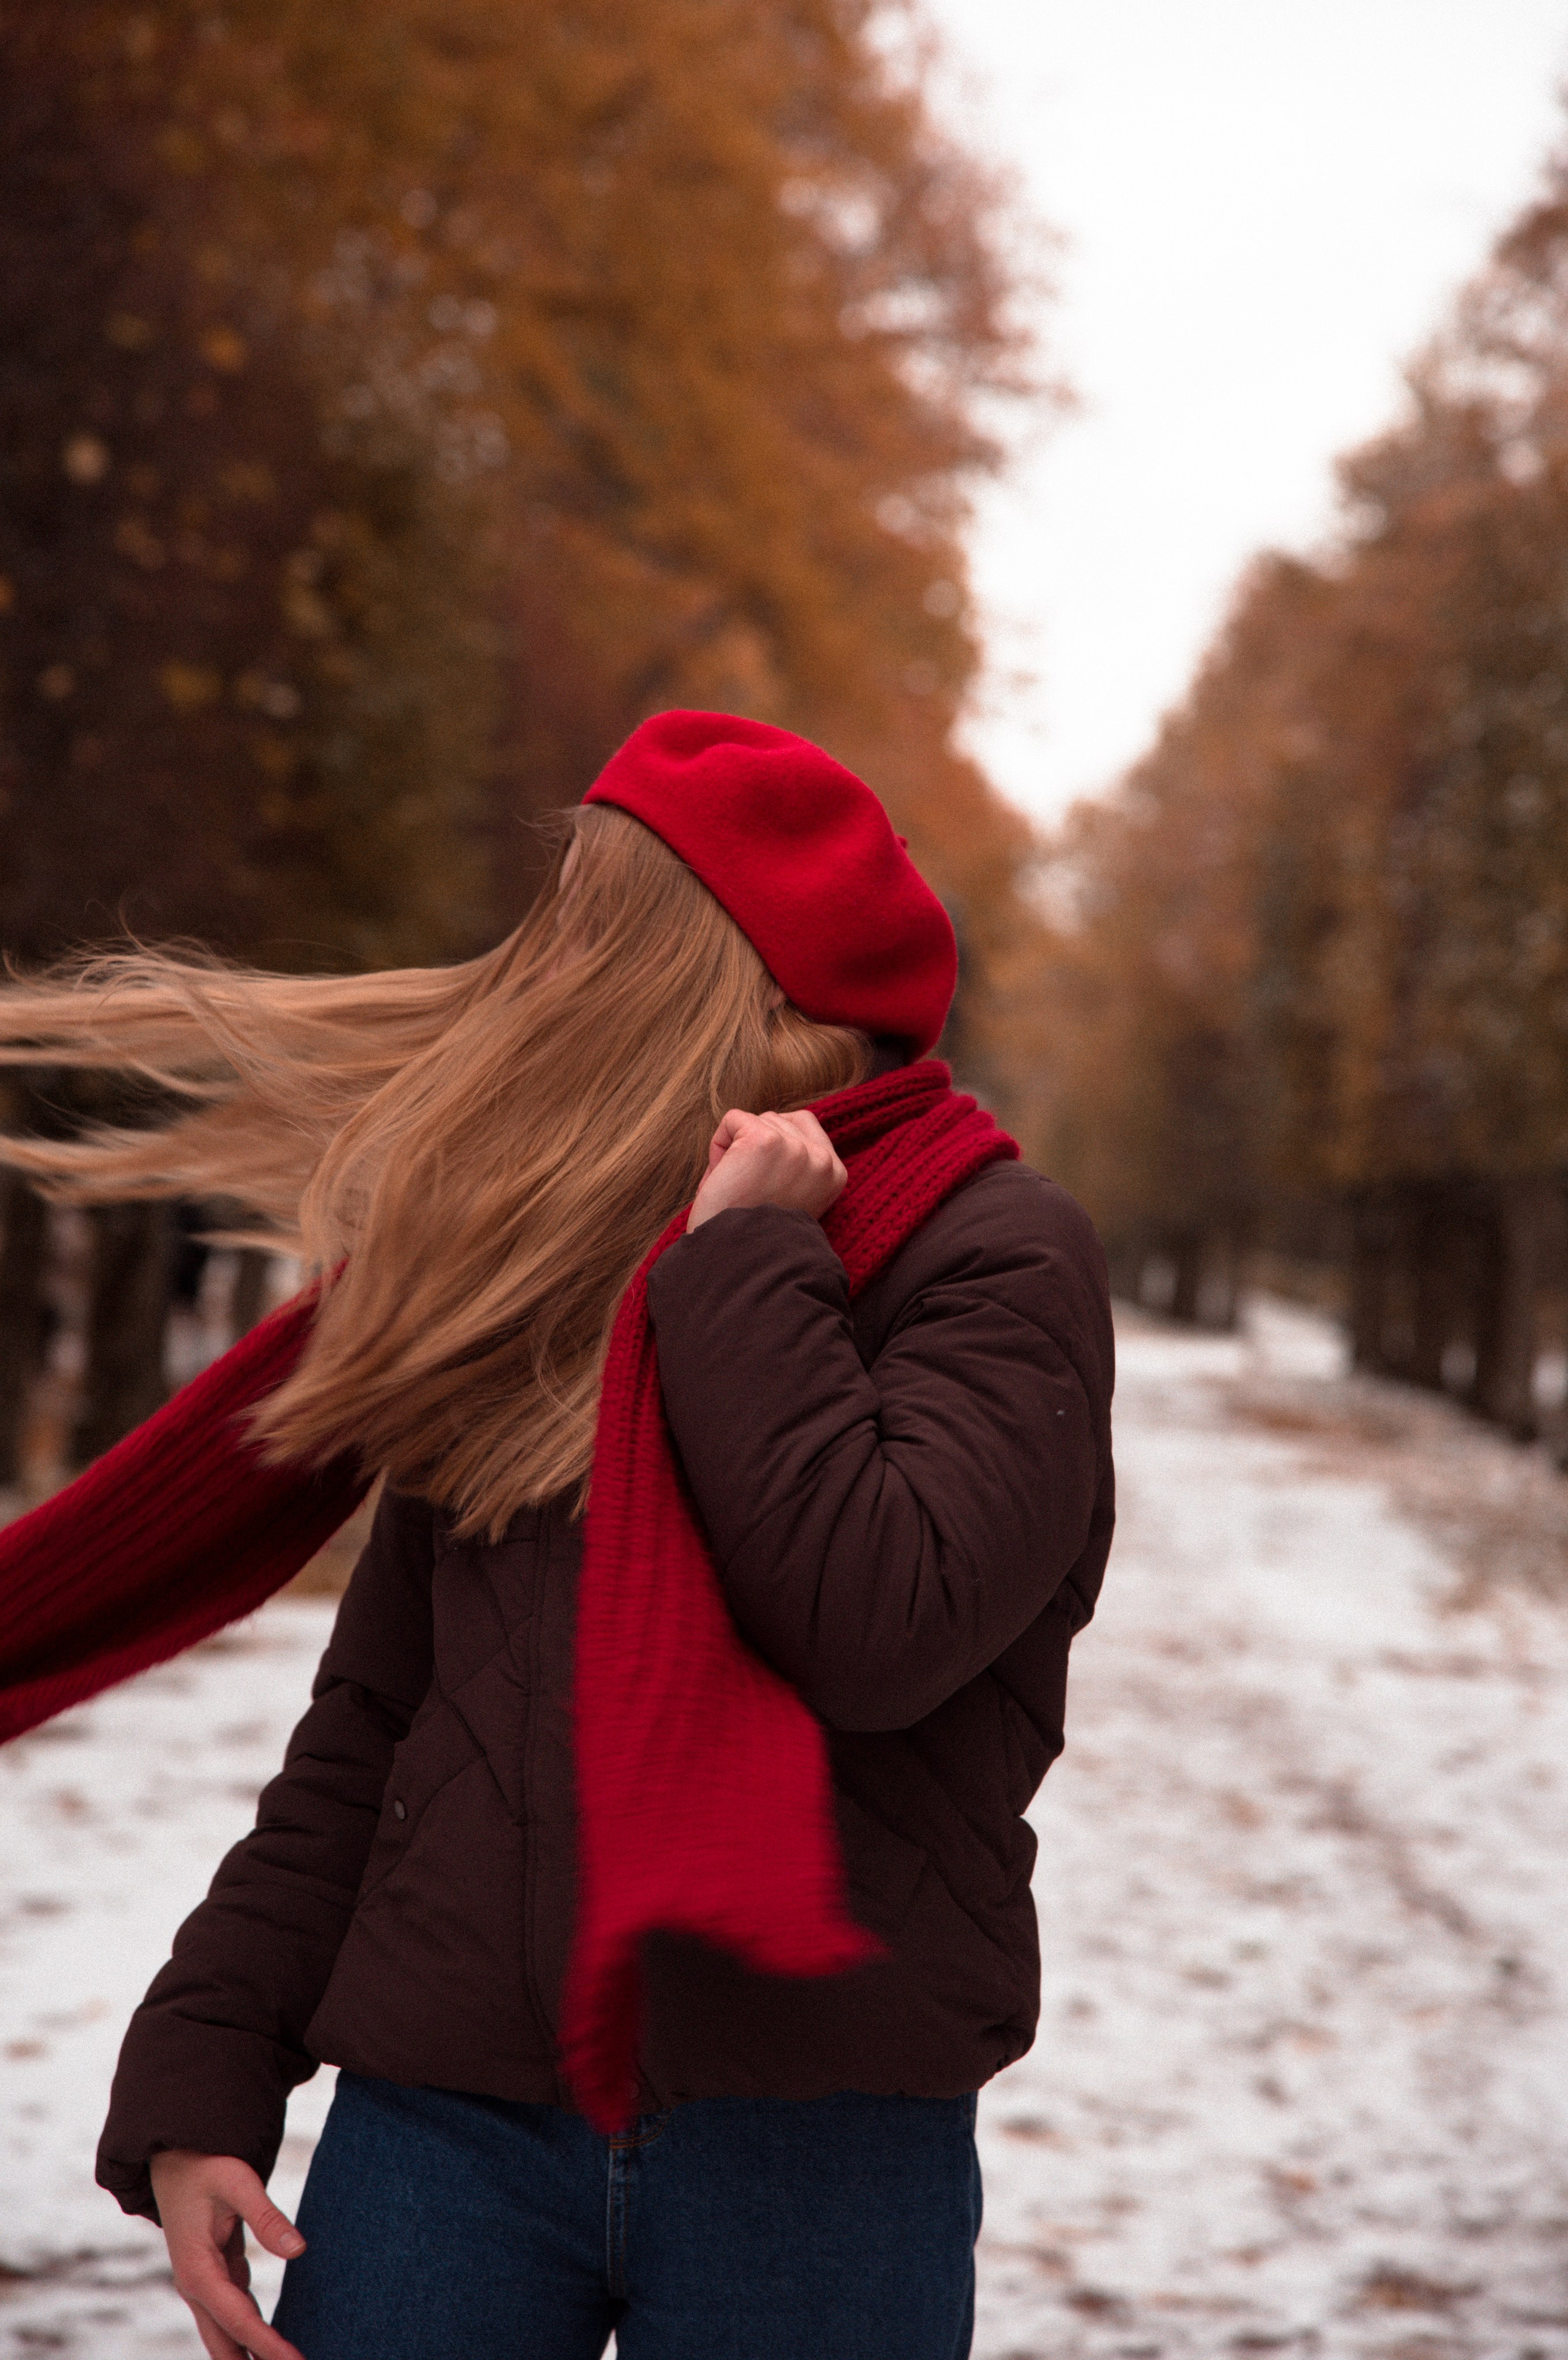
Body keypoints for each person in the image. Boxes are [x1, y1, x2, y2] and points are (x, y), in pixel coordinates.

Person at [0, 711, 1114, 2360]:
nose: (547, 962)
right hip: (445, 2131)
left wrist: (745, 1272)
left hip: (822, 2148)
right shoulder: (534, 1265)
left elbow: (880, 1620)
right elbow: (377, 1723)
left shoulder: (996, 1256)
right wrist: (204, 2069)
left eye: (598, 920)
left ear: (705, 970)